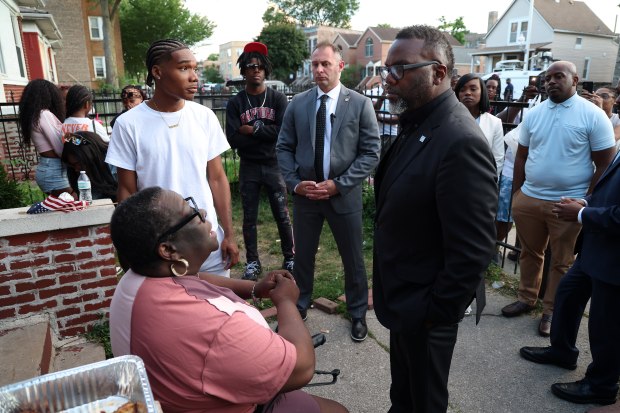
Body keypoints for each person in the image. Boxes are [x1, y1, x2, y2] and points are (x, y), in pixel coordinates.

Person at [109, 187, 348, 413]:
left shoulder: (136, 280)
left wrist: (254, 288)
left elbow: (195, 278)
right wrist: (285, 302)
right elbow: (302, 368)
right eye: (190, 213)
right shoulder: (215, 327)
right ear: (168, 250)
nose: (202, 212)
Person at [372, 25, 498, 412]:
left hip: (425, 308)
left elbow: (474, 250)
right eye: (387, 68)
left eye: (401, 69)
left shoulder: (460, 140)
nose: (389, 78)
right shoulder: (418, 121)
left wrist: (433, 314)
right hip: (406, 297)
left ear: (438, 72)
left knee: (424, 401)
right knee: (404, 398)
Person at [501, 61, 616, 338]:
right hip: (529, 199)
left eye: (558, 76)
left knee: (562, 261)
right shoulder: (535, 113)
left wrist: (587, 201)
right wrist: (518, 194)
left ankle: (551, 310)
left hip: (567, 204)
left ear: (574, 80)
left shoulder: (593, 115)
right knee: (530, 253)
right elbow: (522, 155)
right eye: (548, 77)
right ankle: (527, 298)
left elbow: (605, 163)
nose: (551, 81)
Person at [106, 39, 239, 276]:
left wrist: (228, 233)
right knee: (172, 311)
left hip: (207, 241)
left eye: (195, 69)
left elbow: (217, 179)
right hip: (161, 248)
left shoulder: (204, 117)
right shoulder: (129, 124)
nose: (194, 77)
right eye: (184, 68)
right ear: (157, 72)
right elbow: (127, 191)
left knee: (215, 308)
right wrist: (130, 248)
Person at [276, 42, 380, 341]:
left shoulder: (359, 104)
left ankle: (358, 312)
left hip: (343, 196)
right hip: (306, 196)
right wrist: (295, 183)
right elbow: (283, 146)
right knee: (303, 255)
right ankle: (301, 302)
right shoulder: (299, 103)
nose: (319, 70)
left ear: (340, 66)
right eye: (315, 64)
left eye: (325, 64)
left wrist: (339, 184)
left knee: (353, 258)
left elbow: (371, 152)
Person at [518, 150, 620, 407]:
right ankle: (562, 351)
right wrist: (586, 203)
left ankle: (601, 385)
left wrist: (581, 215)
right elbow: (609, 190)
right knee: (568, 293)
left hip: (613, 258)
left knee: (605, 324)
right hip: (596, 249)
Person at [225, 41, 294, 281]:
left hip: (274, 164)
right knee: (249, 218)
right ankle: (253, 262)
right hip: (249, 167)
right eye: (251, 66)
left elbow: (282, 132)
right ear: (243, 70)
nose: (256, 70)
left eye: (260, 66)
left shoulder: (277, 99)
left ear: (266, 70)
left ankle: (290, 257)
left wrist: (251, 131)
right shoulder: (235, 103)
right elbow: (233, 139)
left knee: (282, 214)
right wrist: (265, 132)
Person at [18, 79, 74, 197]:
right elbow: (60, 147)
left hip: (49, 168)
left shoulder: (35, 115)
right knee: (74, 201)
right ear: (47, 95)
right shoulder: (44, 114)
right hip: (54, 172)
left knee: (64, 208)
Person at [454, 73, 505, 176]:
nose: (467, 93)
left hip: (482, 181)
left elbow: (498, 159)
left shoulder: (494, 123)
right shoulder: (448, 119)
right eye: (462, 90)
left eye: (473, 89)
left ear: (482, 92)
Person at [61, 131, 117, 202]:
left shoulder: (113, 163)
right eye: (72, 165)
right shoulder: (79, 174)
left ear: (90, 157)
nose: (76, 169)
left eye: (78, 163)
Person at [372, 87, 399, 158]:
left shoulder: (397, 92)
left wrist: (381, 118)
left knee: (390, 159)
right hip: (378, 134)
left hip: (393, 134)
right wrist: (382, 97)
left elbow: (397, 119)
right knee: (377, 160)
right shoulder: (374, 91)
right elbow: (374, 111)